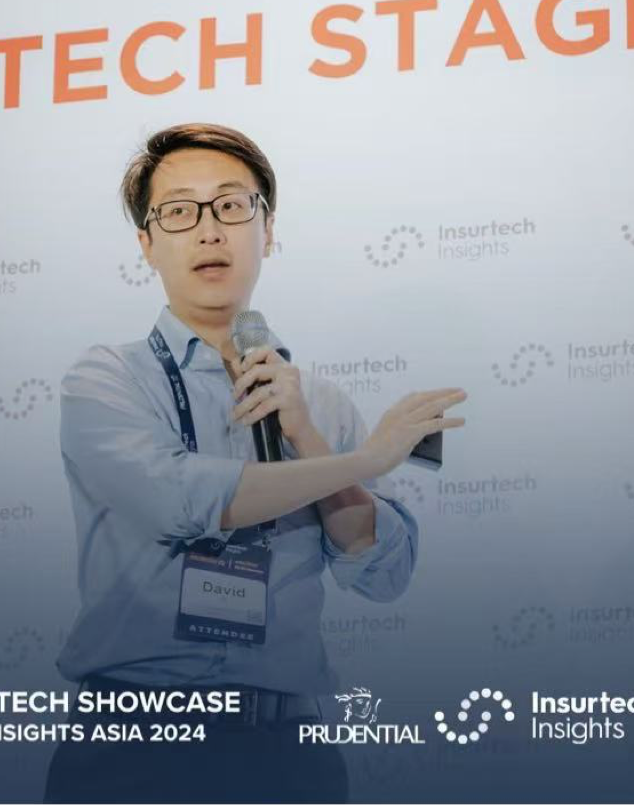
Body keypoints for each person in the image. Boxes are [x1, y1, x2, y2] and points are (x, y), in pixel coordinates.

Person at [44, 124, 466, 803]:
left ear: (267, 231)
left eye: (232, 205)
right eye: (179, 211)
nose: (210, 230)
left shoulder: (317, 402)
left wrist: (307, 436)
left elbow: (382, 573)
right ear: (147, 243)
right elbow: (177, 499)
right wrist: (365, 459)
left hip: (286, 752)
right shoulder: (106, 378)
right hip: (135, 745)